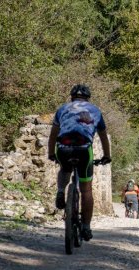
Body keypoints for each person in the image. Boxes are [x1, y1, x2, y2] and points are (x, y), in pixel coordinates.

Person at [47, 84, 111, 242]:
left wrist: (51, 153)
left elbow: (53, 134)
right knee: (86, 190)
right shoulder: (95, 110)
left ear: (72, 97)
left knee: (64, 169)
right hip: (83, 150)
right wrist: (106, 156)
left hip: (63, 148)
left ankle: (61, 190)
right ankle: (86, 227)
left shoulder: (62, 109)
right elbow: (103, 136)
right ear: (88, 98)